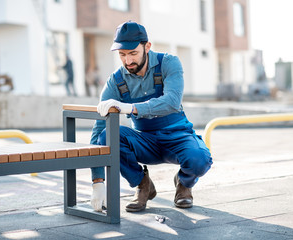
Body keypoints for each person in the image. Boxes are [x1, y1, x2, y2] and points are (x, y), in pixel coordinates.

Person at [90, 21, 213, 212]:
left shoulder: (169, 63)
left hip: (177, 136)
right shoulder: (116, 81)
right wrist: (97, 181)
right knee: (107, 135)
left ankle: (183, 182)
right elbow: (99, 127)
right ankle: (142, 185)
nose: (128, 61)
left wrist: (130, 107)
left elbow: (172, 101)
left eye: (133, 53)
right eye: (122, 55)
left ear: (147, 46)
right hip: (145, 141)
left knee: (199, 160)